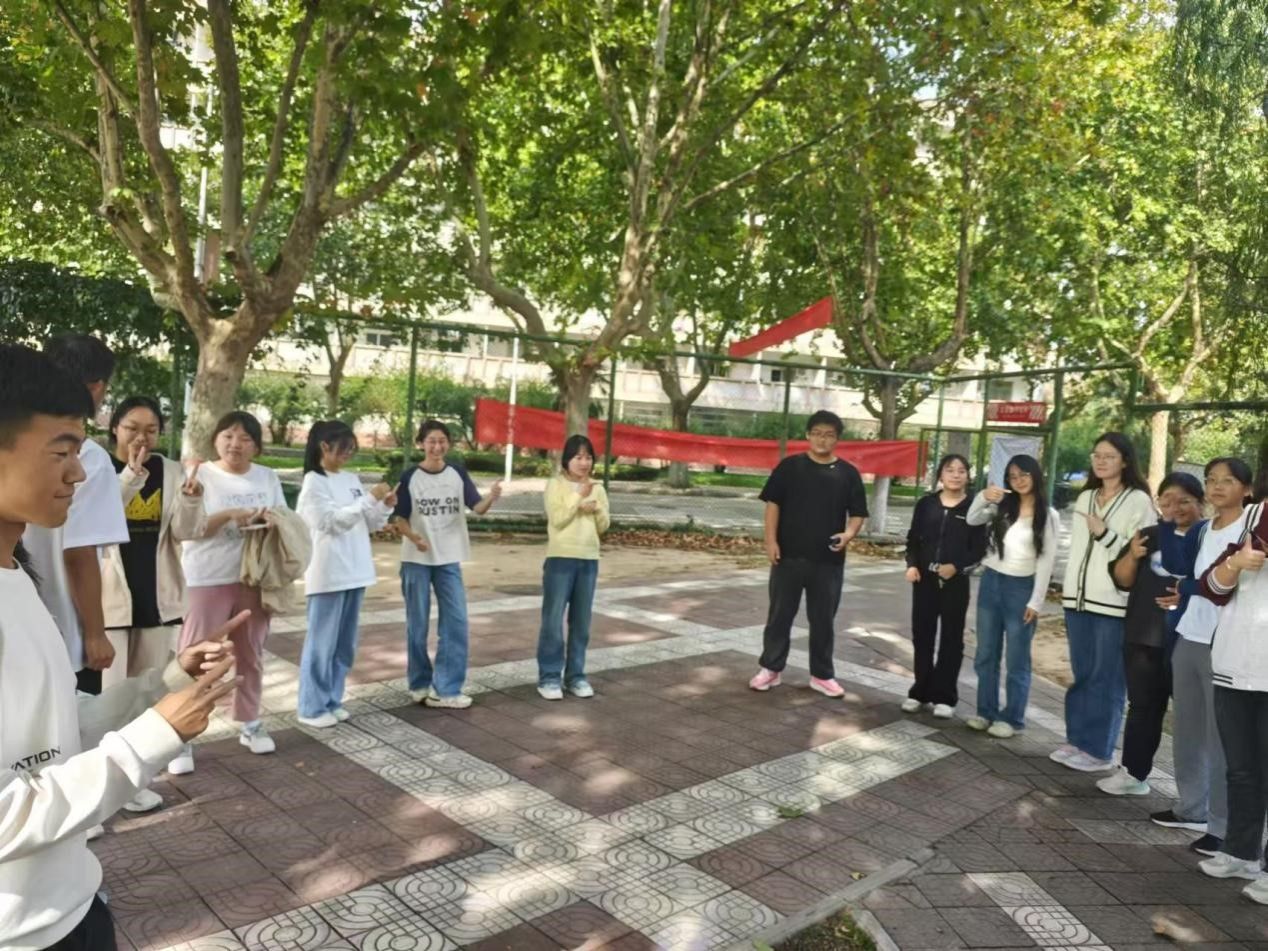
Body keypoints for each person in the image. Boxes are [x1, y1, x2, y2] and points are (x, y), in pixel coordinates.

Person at [0, 343, 239, 950]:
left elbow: (53, 738)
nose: (79, 474)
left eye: (79, 453)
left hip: (71, 906)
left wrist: (164, 687)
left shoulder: (18, 576)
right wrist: (152, 737)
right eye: (60, 452)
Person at [170, 411, 288, 774]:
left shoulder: (266, 476)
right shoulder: (198, 474)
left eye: (245, 438)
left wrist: (269, 521)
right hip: (205, 577)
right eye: (228, 436)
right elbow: (187, 528)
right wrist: (228, 515)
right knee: (195, 657)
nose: (235, 444)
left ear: (257, 445)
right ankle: (178, 736)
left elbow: (284, 518)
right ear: (216, 439)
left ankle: (250, 722)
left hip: (254, 577)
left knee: (250, 653)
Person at [1147, 458, 1253, 855]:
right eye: (1211, 480)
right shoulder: (1204, 528)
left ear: (1247, 489)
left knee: (1221, 739)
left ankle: (1222, 827)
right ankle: (1191, 807)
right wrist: (1169, 522)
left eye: (1228, 480)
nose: (1217, 486)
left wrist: (1188, 588)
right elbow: (1180, 568)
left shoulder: (1250, 532)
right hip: (1190, 634)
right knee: (1188, 730)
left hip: (1224, 642)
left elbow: (1225, 585)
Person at [21, 335, 129, 697]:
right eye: (61, 455)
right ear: (97, 387)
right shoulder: (93, 459)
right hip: (61, 634)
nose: (74, 472)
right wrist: (95, 633)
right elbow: (79, 553)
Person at [1096, 472, 1204, 799]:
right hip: (1143, 636)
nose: (1175, 507)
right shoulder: (1149, 535)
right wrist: (1132, 554)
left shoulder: (1209, 537)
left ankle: (1196, 797)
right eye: (1167, 500)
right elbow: (1122, 579)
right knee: (1142, 707)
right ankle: (1134, 773)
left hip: (1189, 641)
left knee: (1193, 718)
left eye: (1184, 501)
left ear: (1201, 503)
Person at [1053, 431, 1156, 772]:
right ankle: (1077, 740)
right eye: (1096, 455)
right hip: (1077, 600)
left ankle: (1099, 751)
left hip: (1113, 603)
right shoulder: (1086, 497)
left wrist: (1104, 534)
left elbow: (1139, 552)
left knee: (1107, 679)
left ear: (1125, 461)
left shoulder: (1138, 501)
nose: (1101, 461)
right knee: (1082, 675)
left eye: (1109, 456)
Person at [749, 410, 868, 699]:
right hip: (788, 556)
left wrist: (848, 534)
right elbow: (773, 505)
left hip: (828, 560)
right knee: (779, 616)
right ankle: (771, 668)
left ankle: (822, 675)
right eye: (817, 433)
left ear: (837, 439)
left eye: (829, 435)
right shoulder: (790, 467)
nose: (822, 439)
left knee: (823, 620)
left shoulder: (848, 473)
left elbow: (858, 513)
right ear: (807, 435)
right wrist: (770, 541)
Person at [392, 419, 502, 709]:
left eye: (442, 441)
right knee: (417, 626)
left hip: (448, 559)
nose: (437, 446)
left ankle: (447, 689)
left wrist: (491, 497)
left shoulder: (457, 474)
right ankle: (419, 683)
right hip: (416, 560)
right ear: (421, 444)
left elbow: (477, 507)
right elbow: (400, 519)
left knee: (456, 621)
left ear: (448, 444)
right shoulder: (410, 477)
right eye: (431, 441)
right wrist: (414, 537)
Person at [295, 421, 395, 728]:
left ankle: (332, 699)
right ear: (324, 446)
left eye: (352, 449)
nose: (348, 454)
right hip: (328, 572)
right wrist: (369, 499)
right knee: (321, 643)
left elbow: (368, 522)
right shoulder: (314, 482)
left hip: (356, 570)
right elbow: (330, 522)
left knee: (344, 645)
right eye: (344, 448)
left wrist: (384, 507)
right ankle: (311, 706)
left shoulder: (351, 479)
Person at [1196, 485, 1268, 904]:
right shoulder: (1251, 516)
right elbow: (1212, 587)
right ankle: (1241, 852)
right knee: (1241, 769)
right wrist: (1237, 562)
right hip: (1235, 665)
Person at [966, 454, 1059, 737]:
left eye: (1024, 475)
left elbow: (1046, 560)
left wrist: (1036, 601)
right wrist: (983, 496)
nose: (1018, 481)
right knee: (985, 653)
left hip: (1021, 588)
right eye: (1013, 476)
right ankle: (986, 711)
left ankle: (1013, 718)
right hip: (992, 581)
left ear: (1035, 475)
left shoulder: (1048, 515)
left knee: (1017, 658)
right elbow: (972, 518)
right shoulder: (1002, 508)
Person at [901, 454, 986, 719]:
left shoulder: (974, 508)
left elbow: (978, 548)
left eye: (961, 471)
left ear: (968, 476)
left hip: (955, 582)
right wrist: (912, 564)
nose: (956, 475)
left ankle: (945, 697)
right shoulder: (926, 504)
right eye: (950, 470)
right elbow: (913, 539)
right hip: (924, 580)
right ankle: (920, 691)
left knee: (951, 639)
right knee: (922, 636)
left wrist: (956, 566)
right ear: (940, 474)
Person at [537, 434, 610, 700]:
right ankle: (549, 677)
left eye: (588, 457)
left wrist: (596, 510)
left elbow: (604, 525)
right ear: (567, 459)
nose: (584, 463)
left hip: (588, 559)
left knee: (581, 623)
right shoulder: (555, 485)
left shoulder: (597, 488)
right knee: (553, 620)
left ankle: (576, 676)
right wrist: (578, 497)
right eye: (578, 457)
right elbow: (557, 519)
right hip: (560, 558)